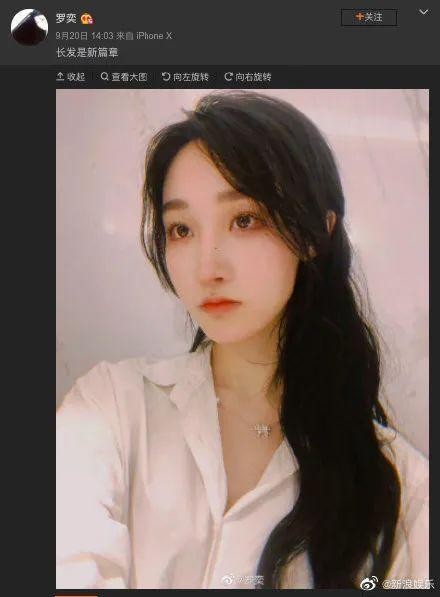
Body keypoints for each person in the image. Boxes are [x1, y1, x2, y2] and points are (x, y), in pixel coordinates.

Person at [56, 91, 429, 589]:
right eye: (181, 229)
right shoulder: (111, 409)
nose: (207, 267)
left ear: (315, 234)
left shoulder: (403, 491)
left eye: (245, 220)